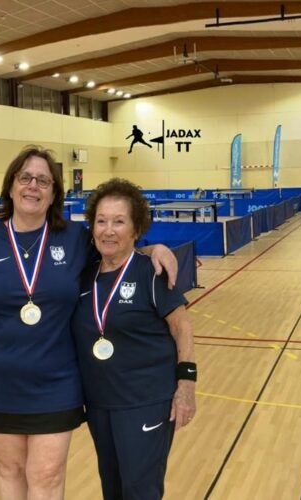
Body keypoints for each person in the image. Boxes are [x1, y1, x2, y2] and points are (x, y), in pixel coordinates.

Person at [0, 147, 179, 499]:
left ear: (54, 193)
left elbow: (118, 247)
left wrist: (154, 249)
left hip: (56, 381)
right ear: (11, 185)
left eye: (43, 180)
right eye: (25, 178)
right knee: (9, 471)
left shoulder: (75, 239)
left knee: (46, 475)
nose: (33, 186)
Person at [71, 178, 197, 499]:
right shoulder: (84, 275)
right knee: (112, 488)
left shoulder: (151, 273)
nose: (108, 230)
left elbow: (182, 328)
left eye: (119, 221)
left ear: (136, 228)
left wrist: (186, 387)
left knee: (140, 490)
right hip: (99, 405)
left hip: (146, 404)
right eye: (101, 221)